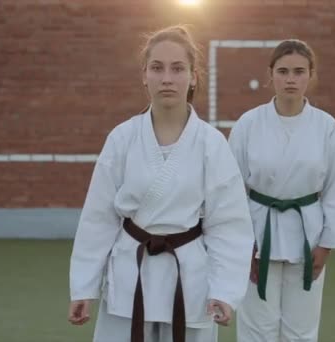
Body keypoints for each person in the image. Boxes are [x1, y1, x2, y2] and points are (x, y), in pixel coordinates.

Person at [68, 25, 254, 342]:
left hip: (190, 279)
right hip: (131, 274)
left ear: (194, 76)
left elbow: (229, 223)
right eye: (157, 68)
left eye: (177, 68)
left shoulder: (211, 144)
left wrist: (225, 290)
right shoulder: (122, 138)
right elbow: (99, 218)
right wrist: (84, 286)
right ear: (144, 75)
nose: (167, 78)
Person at [228, 39, 335, 342]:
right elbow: (230, 189)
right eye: (283, 71)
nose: (290, 79)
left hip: (307, 235)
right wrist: (241, 245)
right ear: (270, 74)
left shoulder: (325, 126)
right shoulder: (249, 124)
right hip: (258, 234)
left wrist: (326, 244)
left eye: (299, 72)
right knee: (257, 329)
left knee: (301, 330)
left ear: (311, 75)